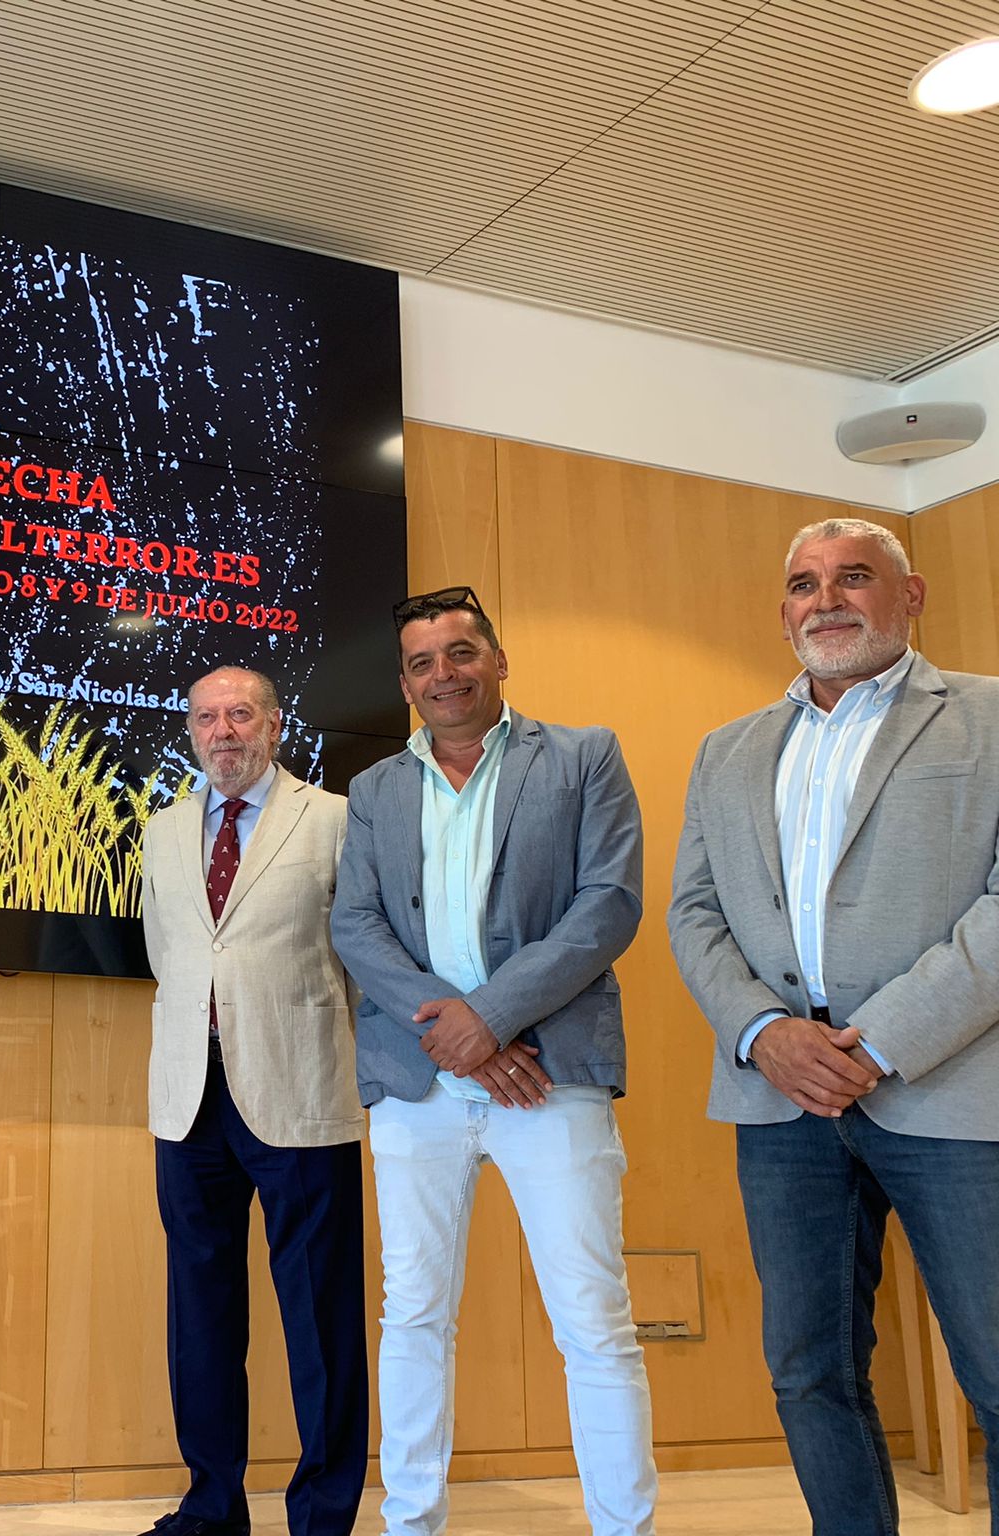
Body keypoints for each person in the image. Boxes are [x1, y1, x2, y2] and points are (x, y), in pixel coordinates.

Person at [669, 517, 999, 1535]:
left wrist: (882, 1040)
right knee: (809, 1371)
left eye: (853, 577)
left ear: (910, 596)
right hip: (780, 1102)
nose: (827, 600)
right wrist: (763, 1032)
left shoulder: (987, 716)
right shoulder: (726, 751)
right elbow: (694, 912)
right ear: (783, 612)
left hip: (948, 1091)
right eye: (805, 584)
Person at [331, 586, 657, 1536]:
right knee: (412, 1314)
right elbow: (356, 924)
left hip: (550, 1074)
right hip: (416, 1081)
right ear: (405, 685)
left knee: (593, 1318)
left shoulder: (584, 757)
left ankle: (624, 1528)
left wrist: (493, 1019)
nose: (445, 674)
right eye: (423, 663)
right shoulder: (375, 789)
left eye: (462, 653)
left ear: (499, 660)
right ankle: (412, 1523)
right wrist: (455, 1033)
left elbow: (608, 904)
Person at [137, 665, 368, 1536]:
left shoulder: (334, 819)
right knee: (199, 1312)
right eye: (206, 718)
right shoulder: (162, 830)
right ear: (191, 732)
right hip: (187, 1100)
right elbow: (171, 952)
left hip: (299, 1088)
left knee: (321, 1315)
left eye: (240, 714)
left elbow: (360, 956)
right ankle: (211, 1508)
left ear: (274, 725)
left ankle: (323, 1517)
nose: (223, 731)